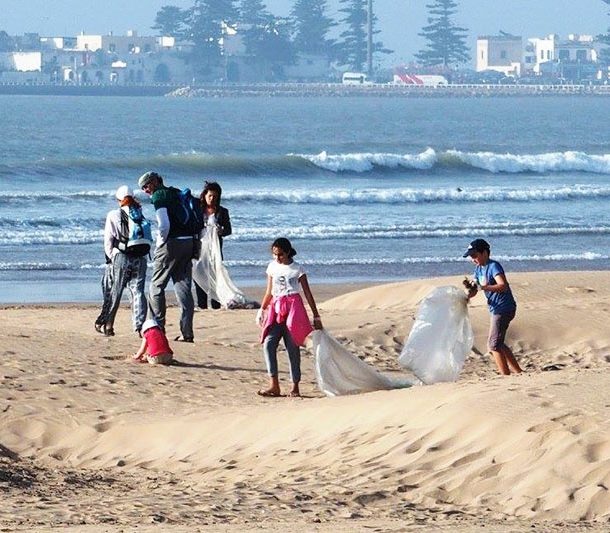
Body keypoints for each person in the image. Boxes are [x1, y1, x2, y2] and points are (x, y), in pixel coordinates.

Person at [256, 237, 323, 397]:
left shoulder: (297, 269)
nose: (277, 258)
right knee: (269, 343)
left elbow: (307, 293)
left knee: (292, 347)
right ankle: (274, 385)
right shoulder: (272, 267)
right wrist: (262, 309)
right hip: (276, 308)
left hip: (294, 308)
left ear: (287, 252)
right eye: (274, 255)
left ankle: (295, 386)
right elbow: (269, 291)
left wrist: (316, 315)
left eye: (280, 255)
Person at [138, 171, 196, 342]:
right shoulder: (175, 192)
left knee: (156, 287)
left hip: (171, 244)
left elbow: (164, 225)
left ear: (155, 182)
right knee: (183, 286)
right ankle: (187, 333)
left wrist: (160, 245)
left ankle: (158, 329)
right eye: (143, 188)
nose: (146, 190)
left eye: (147, 185)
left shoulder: (159, 195)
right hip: (188, 242)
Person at [463, 238, 523, 376]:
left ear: (484, 253)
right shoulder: (478, 269)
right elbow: (475, 290)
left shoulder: (493, 266)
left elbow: (503, 285)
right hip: (496, 309)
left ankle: (505, 375)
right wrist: (467, 295)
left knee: (493, 345)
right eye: (471, 257)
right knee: (499, 343)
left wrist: (483, 287)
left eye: (474, 255)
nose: (473, 259)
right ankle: (518, 371)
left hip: (504, 308)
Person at [100, 185, 148, 336]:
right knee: (137, 291)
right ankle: (139, 327)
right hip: (140, 257)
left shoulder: (113, 214)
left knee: (116, 290)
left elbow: (108, 240)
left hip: (121, 256)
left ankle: (109, 325)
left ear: (118, 200)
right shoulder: (139, 213)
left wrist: (110, 258)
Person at [194, 181, 232, 310]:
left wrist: (221, 230)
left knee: (215, 276)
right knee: (199, 273)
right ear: (204, 195)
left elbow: (228, 230)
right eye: (210, 195)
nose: (212, 198)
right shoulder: (198, 210)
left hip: (215, 249)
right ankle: (202, 304)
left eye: (215, 196)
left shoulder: (222, 212)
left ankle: (216, 304)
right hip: (199, 248)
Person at [94, 254, 113, 334]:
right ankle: (102, 322)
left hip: (114, 265)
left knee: (110, 299)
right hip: (112, 266)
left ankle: (104, 323)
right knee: (109, 299)